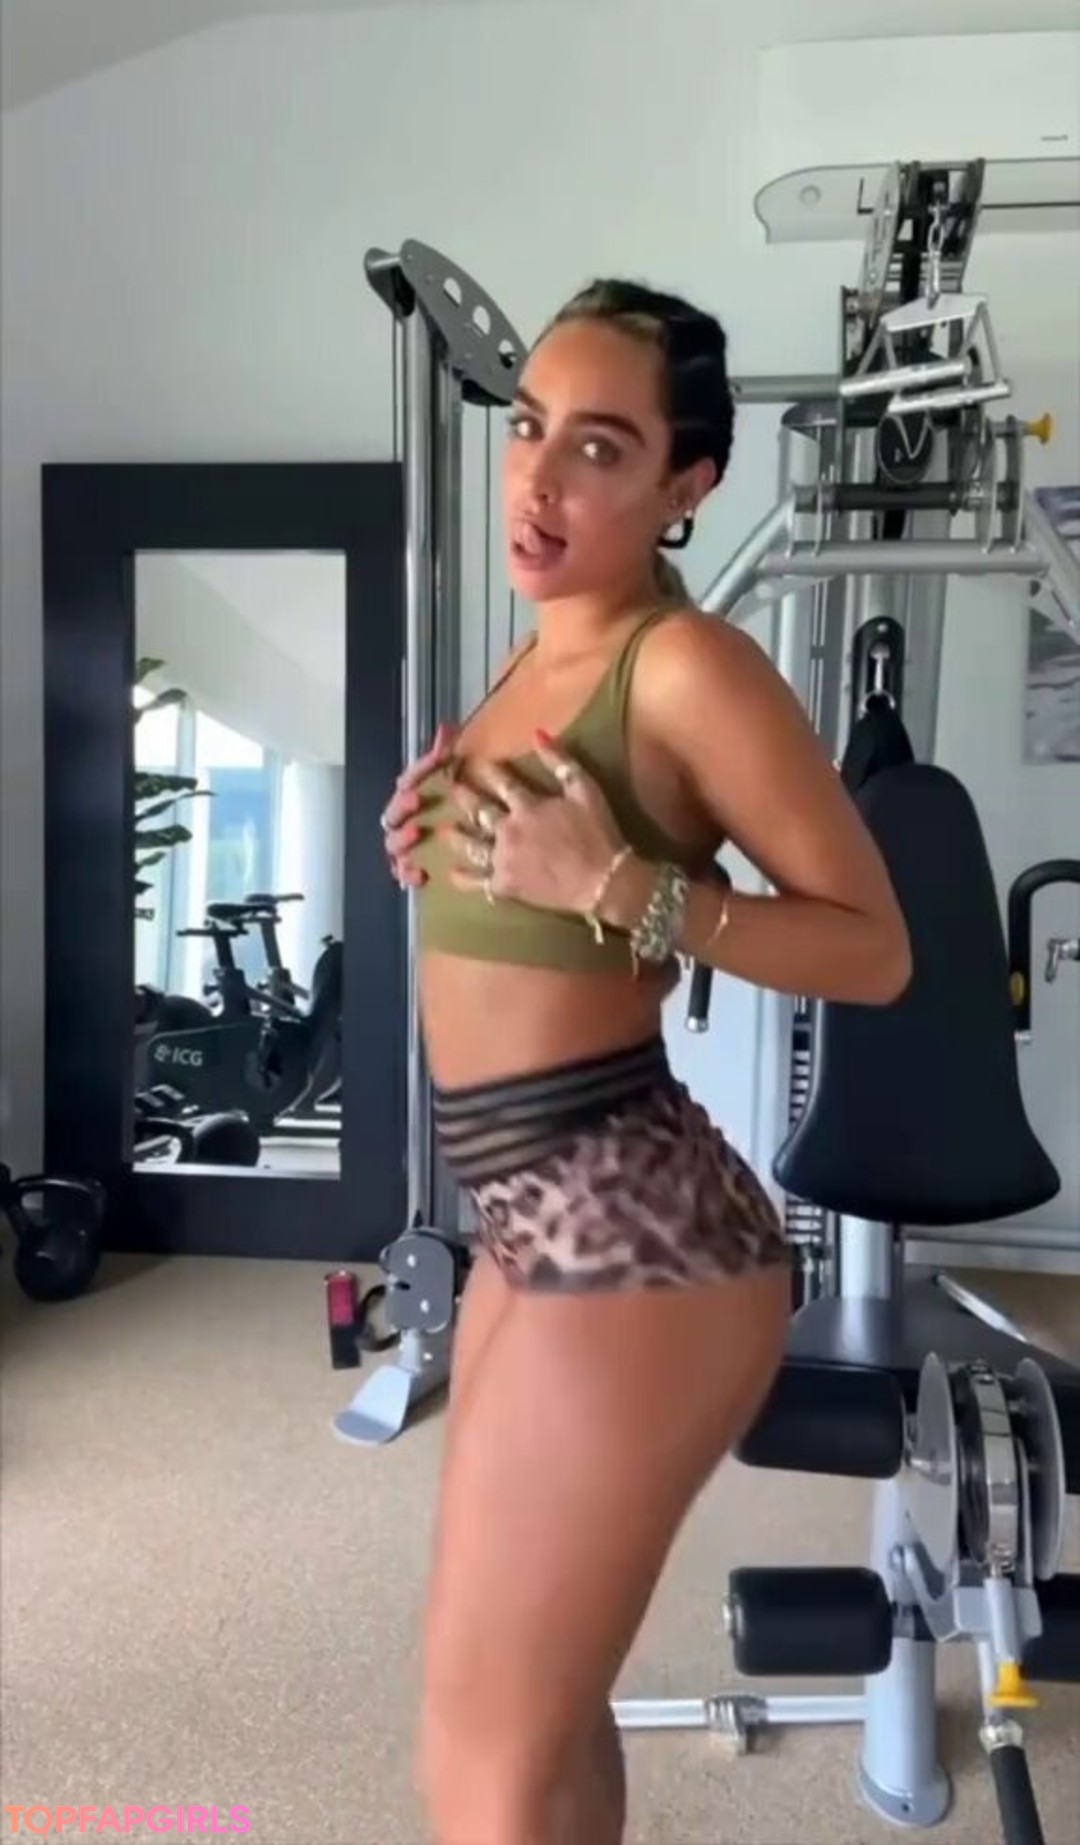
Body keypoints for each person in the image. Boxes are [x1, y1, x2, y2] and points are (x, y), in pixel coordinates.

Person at [379, 278, 912, 1845]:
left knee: (482, 1760)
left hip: (634, 1227)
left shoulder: (685, 667)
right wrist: (437, 846)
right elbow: (537, 891)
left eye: (600, 447)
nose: (539, 480)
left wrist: (626, 889)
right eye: (530, 427)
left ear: (688, 485)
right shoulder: (536, 654)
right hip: (528, 1211)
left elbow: (875, 949)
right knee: (521, 1720)